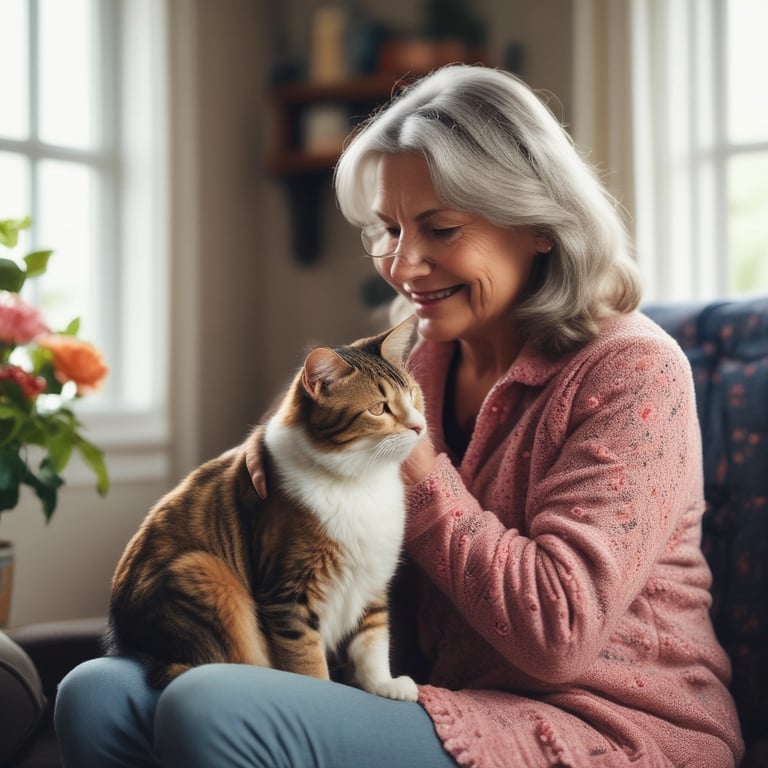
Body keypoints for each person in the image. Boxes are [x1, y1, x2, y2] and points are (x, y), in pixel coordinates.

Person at [55, 64, 744, 767]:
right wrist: (275, 463)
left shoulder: (633, 371)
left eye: (440, 229)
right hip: (437, 692)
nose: (405, 265)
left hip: (606, 725)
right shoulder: (421, 354)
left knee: (209, 710)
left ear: (538, 225)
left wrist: (415, 468)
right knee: (96, 693)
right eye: (388, 229)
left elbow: (559, 633)